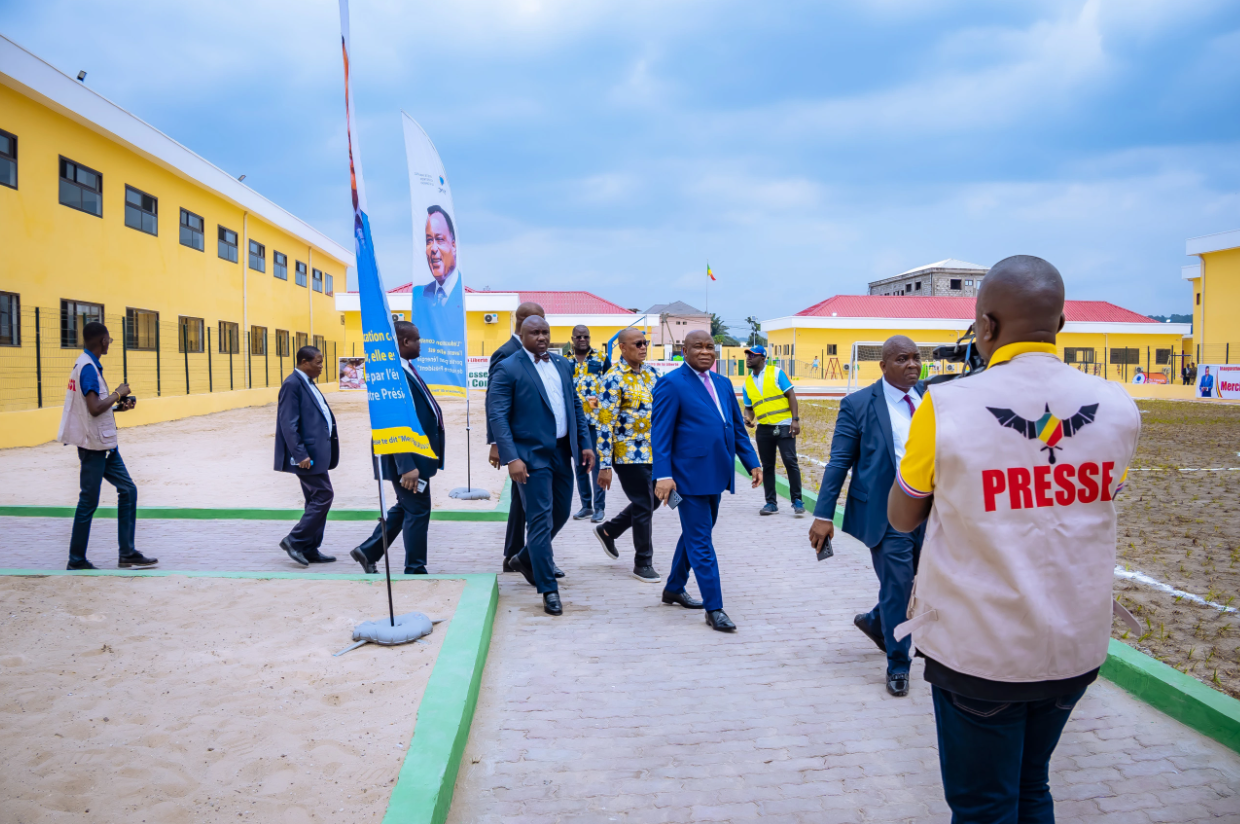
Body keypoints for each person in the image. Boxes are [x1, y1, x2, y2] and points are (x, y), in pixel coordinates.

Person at [887, 255, 1141, 822]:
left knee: (983, 806)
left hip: (980, 649)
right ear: (1061, 324)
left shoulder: (945, 404)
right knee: (1032, 788)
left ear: (986, 326)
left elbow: (903, 517)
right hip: (1074, 646)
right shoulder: (1119, 406)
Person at [807, 335, 926, 697]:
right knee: (898, 585)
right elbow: (840, 461)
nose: (912, 366)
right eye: (903, 359)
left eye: (916, 359)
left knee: (917, 585)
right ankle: (898, 665)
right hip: (886, 513)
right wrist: (823, 514)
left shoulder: (931, 396)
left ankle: (877, 620)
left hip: (933, 512)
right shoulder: (858, 404)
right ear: (884, 366)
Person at [653, 330, 762, 632]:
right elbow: (660, 435)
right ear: (683, 351)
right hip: (687, 477)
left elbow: (736, 429)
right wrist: (663, 475)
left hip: (716, 473)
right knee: (701, 541)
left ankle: (674, 587)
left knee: (696, 533)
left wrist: (752, 462)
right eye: (697, 347)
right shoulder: (671, 384)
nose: (705, 351)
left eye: (709, 346)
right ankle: (715, 608)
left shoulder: (724, 384)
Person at [488, 316, 595, 615]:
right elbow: (498, 416)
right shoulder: (508, 367)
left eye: (545, 332)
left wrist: (585, 443)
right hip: (530, 456)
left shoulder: (562, 365)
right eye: (535, 332)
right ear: (522, 335)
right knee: (538, 519)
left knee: (560, 513)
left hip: (563, 452)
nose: (542, 337)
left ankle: (524, 557)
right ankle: (548, 588)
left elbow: (575, 406)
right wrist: (512, 457)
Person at [57, 321, 157, 571]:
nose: (109, 343)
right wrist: (118, 393)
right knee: (88, 501)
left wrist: (117, 408)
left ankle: (127, 553)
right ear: (102, 341)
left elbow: (96, 408)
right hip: (94, 447)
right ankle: (76, 559)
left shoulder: (86, 364)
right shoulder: (88, 368)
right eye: (109, 339)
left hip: (104, 446)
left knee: (128, 490)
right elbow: (93, 408)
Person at [350, 322, 446, 575]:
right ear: (404, 343)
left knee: (407, 507)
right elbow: (395, 422)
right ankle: (415, 568)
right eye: (417, 340)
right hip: (407, 460)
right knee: (418, 510)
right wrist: (407, 466)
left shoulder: (405, 369)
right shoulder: (395, 375)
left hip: (416, 456)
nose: (420, 344)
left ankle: (369, 550)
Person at [487, 302, 559, 576]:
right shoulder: (505, 354)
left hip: (540, 442)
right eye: (534, 322)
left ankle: (522, 555)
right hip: (519, 444)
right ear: (522, 322)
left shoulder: (547, 356)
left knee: (525, 502)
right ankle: (522, 555)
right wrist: (496, 443)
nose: (540, 332)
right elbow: (494, 404)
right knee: (526, 502)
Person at [594, 328, 663, 583]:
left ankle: (609, 530)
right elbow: (604, 423)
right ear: (622, 347)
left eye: (645, 343)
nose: (643, 347)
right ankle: (643, 563)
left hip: (654, 452)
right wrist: (604, 465)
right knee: (644, 503)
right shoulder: (613, 378)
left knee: (655, 500)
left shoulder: (653, 374)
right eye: (637, 344)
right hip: (627, 454)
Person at [274, 345, 339, 566]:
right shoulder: (292, 384)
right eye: (318, 362)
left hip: (317, 452)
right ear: (304, 362)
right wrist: (299, 453)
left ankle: (310, 548)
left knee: (315, 498)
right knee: (324, 495)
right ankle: (295, 540)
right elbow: (288, 423)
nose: (321, 366)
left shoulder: (308, 383)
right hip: (306, 454)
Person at [742, 344, 804, 516]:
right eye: (747, 355)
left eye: (753, 355)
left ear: (763, 358)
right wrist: (747, 417)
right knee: (767, 466)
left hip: (784, 425)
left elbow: (791, 395)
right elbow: (749, 408)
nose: (749, 357)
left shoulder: (777, 373)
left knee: (790, 462)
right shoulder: (747, 383)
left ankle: (797, 500)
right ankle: (771, 503)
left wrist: (795, 420)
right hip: (763, 429)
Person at [570, 324, 609, 523]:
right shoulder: (564, 361)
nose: (582, 339)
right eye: (578, 337)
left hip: (595, 422)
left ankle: (599, 507)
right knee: (579, 465)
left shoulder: (601, 359)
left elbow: (610, 386)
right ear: (572, 339)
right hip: (574, 423)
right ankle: (586, 505)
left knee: (597, 465)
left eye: (585, 336)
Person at [420, 205, 464, 307]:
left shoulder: (463, 296)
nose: (433, 249)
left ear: (453, 246)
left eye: (439, 239)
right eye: (429, 240)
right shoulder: (420, 295)